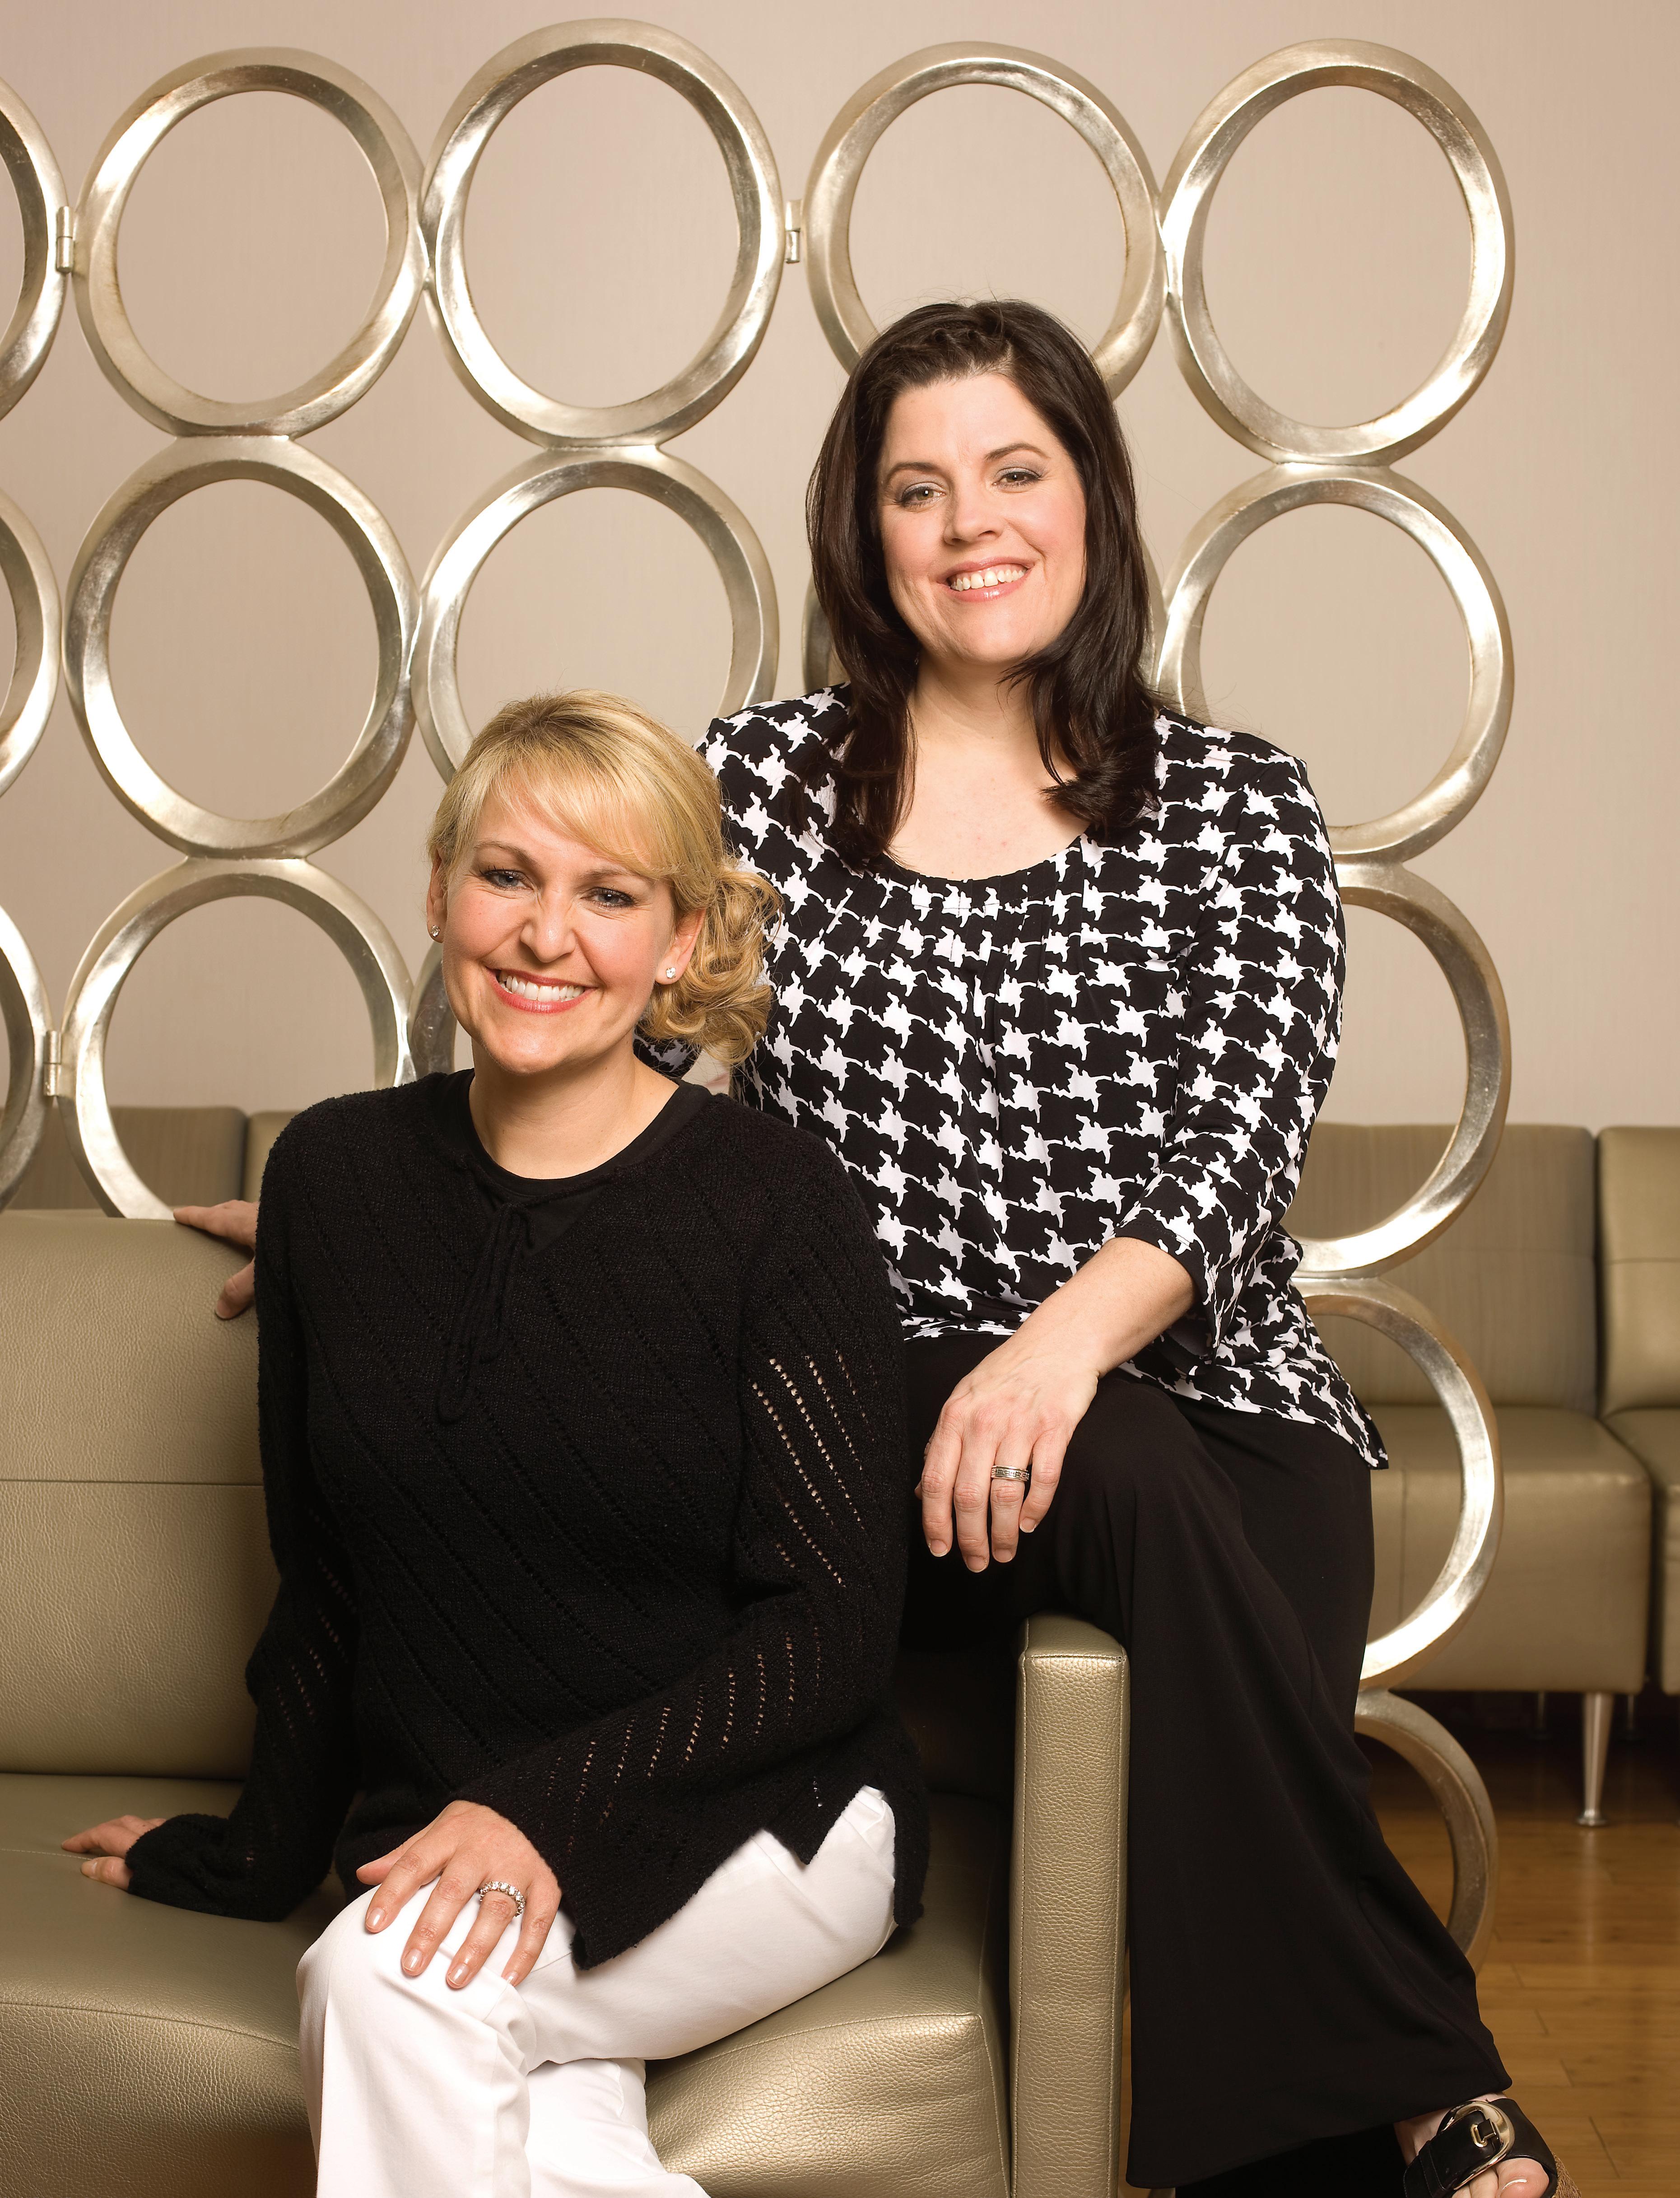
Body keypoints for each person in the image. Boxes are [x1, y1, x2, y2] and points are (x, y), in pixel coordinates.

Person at [184, 301, 1573, 2198]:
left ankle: (1305, 2145)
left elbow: (1244, 1135)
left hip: (1200, 1385)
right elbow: (621, 1038)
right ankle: (1422, 2094)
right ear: (862, 528)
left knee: (1158, 1471)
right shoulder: (758, 780)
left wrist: (1061, 1349)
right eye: (916, 488)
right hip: (870, 1387)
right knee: (1119, 1459)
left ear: (1091, 500)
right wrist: (388, 1211)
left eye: (1013, 472)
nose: (968, 522)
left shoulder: (1237, 801)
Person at [66, 691, 928, 2198]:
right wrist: (257, 1853)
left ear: (681, 940)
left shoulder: (778, 1206)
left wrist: (545, 1809)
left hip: (771, 1822)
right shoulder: (333, 1180)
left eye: (610, 895)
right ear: (439, 892)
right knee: (524, 2114)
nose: (545, 934)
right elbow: (328, 1581)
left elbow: (828, 1633)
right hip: (465, 1829)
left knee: (391, 1981)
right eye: (507, 875)